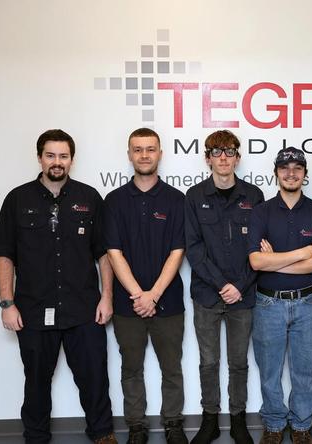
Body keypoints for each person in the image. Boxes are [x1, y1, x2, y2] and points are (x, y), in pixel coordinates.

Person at [0, 129, 117, 444]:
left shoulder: (89, 198)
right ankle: (36, 438)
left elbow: (103, 254)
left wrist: (107, 297)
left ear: (72, 159)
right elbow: (4, 255)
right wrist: (7, 303)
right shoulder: (17, 199)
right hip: (33, 310)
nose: (57, 162)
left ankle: (102, 434)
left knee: (95, 379)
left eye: (63, 156)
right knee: (36, 382)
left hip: (84, 309)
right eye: (50, 155)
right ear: (39, 158)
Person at [103, 128, 187, 444]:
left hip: (168, 302)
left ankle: (174, 424)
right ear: (129, 155)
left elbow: (177, 251)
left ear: (160, 154)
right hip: (128, 305)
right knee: (131, 369)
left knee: (172, 368)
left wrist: (154, 294)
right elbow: (113, 253)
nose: (144, 155)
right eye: (137, 149)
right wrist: (140, 295)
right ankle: (136, 426)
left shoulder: (176, 200)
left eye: (150, 149)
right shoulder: (114, 201)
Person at [248, 147, 312, 444]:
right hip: (268, 303)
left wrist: (276, 261)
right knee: (269, 371)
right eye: (285, 168)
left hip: (308, 303)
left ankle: (300, 426)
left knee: (304, 372)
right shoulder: (261, 212)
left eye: (298, 168)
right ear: (276, 173)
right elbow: (256, 262)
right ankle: (273, 425)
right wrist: (303, 253)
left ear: (305, 174)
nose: (291, 173)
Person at [185, 130, 264, 444]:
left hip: (243, 296)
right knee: (209, 363)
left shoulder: (253, 196)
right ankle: (210, 421)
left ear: (237, 158)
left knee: (239, 363)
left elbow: (260, 248)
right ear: (207, 159)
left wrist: (239, 286)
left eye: (229, 151)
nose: (223, 158)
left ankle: (238, 420)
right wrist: (222, 285)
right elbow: (194, 249)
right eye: (216, 152)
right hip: (207, 295)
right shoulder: (194, 197)